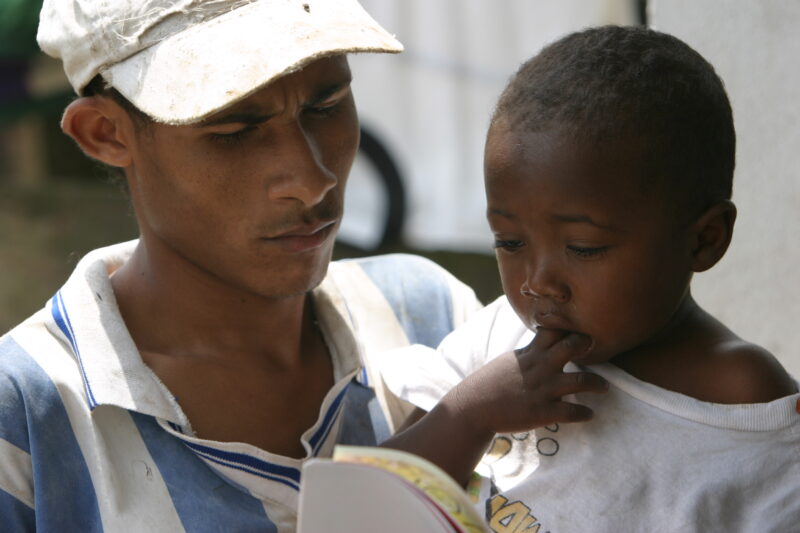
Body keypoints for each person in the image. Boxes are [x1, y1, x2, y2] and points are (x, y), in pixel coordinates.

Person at [0, 1, 484, 531]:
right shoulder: (22, 418)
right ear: (106, 134)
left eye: (327, 106)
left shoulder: (434, 321)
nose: (310, 177)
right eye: (233, 131)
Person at [377, 25, 800, 532]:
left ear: (704, 240)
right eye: (510, 243)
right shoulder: (499, 346)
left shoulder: (743, 409)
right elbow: (363, 506)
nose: (537, 283)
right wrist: (471, 416)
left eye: (583, 248)